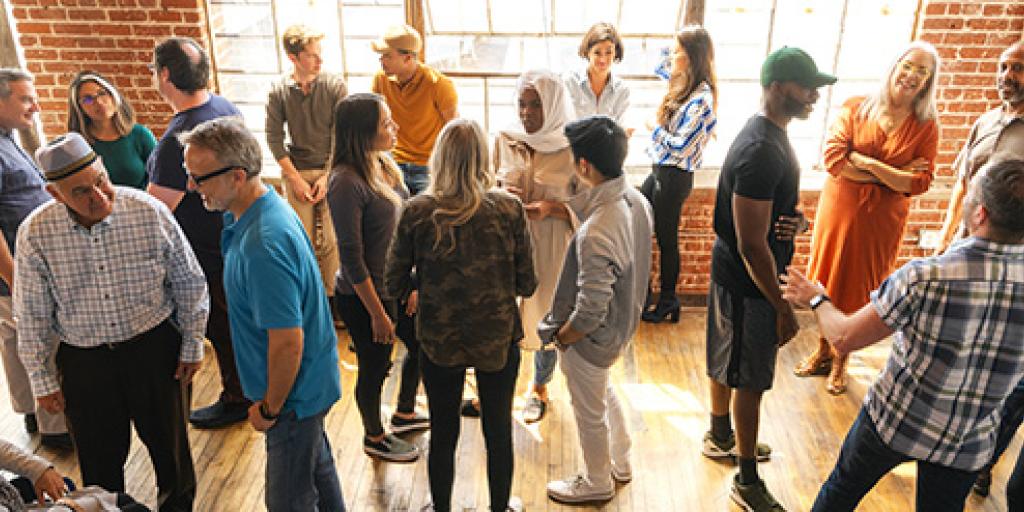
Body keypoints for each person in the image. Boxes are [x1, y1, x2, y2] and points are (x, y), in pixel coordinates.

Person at [780, 157, 1024, 512]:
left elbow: (844, 338)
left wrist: (816, 298)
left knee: (841, 492)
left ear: (980, 214)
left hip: (896, 420)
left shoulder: (925, 277)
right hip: (967, 441)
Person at [17, 132, 209, 512]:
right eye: (81, 192)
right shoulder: (35, 233)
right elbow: (32, 314)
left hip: (154, 349)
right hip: (84, 361)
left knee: (172, 455)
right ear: (55, 194)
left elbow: (190, 283)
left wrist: (192, 344)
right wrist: (41, 380)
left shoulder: (148, 210)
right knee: (99, 465)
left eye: (101, 181)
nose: (100, 197)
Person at [181, 117, 344, 512]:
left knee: (289, 501)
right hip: (306, 389)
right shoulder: (258, 209)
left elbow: (288, 341)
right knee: (318, 473)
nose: (190, 187)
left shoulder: (262, 245)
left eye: (199, 177)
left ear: (237, 176)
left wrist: (269, 407)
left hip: (291, 399)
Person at [705, 47, 834, 511]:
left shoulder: (771, 134)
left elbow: (770, 217)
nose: (815, 96)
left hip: (738, 276)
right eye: (807, 87)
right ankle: (745, 479)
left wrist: (795, 222)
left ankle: (721, 435)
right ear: (778, 86)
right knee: (750, 379)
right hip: (749, 282)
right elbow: (751, 244)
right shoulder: (761, 150)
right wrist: (782, 308)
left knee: (730, 360)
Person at [384, 119, 536, 512]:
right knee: (498, 428)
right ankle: (500, 507)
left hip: (438, 336)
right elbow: (528, 283)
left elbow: (393, 280)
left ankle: (441, 507)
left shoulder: (418, 211)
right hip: (497, 334)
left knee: (444, 429)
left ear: (440, 159)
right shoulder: (509, 208)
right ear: (484, 159)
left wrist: (427, 279)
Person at [795, 42, 941, 395]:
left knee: (862, 286)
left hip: (881, 223)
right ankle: (822, 350)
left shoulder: (926, 126)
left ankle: (843, 357)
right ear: (894, 66)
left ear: (928, 82)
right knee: (827, 278)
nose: (912, 76)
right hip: (840, 212)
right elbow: (834, 160)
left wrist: (868, 163)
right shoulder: (855, 106)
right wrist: (893, 173)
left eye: (922, 72)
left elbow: (919, 181)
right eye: (908, 66)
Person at [541, 116, 652, 503]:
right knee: (603, 393)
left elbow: (589, 310)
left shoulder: (598, 229)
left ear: (584, 166)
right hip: (621, 327)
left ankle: (597, 481)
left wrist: (563, 337)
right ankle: (620, 463)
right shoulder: (637, 200)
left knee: (588, 412)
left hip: (593, 336)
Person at [935, 41, 1024, 500]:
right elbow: (962, 185)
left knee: (1001, 372)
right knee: (958, 351)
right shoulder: (985, 122)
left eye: (1020, 68)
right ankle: (943, 441)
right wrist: (945, 235)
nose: (1008, 74)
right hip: (966, 251)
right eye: (1003, 65)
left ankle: (981, 462)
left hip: (1014, 264)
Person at [147, 36, 251, 429]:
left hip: (206, 250)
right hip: (231, 234)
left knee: (221, 325)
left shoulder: (179, 139)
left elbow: (156, 212)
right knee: (236, 320)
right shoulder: (223, 106)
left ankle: (239, 394)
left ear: (166, 74)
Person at [329, 93, 428, 463]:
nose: (395, 127)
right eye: (386, 123)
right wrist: (377, 313)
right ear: (363, 131)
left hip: (397, 285)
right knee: (375, 367)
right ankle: (374, 435)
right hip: (364, 296)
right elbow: (352, 259)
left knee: (420, 347)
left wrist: (412, 282)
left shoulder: (383, 163)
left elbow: (401, 231)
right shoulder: (344, 182)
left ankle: (404, 414)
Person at [492, 69, 580, 424]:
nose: (526, 113)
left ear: (554, 106)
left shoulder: (573, 147)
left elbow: (591, 205)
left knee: (546, 314)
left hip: (552, 242)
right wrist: (497, 194)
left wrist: (553, 208)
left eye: (536, 106)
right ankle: (496, 387)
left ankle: (539, 387)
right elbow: (483, 183)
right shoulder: (504, 139)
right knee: (502, 313)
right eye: (522, 104)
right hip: (504, 243)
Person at [0, 68, 71, 451]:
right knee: (39, 345)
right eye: (26, 98)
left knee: (15, 343)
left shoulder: (8, 139)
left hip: (21, 272)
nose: (35, 106)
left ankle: (30, 411)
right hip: (16, 274)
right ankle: (56, 429)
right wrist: (14, 276)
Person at [266, 25, 347, 309]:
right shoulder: (279, 91)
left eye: (319, 54)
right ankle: (311, 301)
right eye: (312, 56)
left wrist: (328, 176)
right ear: (293, 58)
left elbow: (342, 135)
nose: (319, 61)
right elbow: (274, 139)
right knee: (303, 240)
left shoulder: (335, 86)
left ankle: (333, 299)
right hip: (296, 170)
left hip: (332, 168)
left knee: (333, 241)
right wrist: (295, 180)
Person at [641, 25, 718, 323]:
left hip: (674, 176)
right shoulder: (682, 81)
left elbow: (682, 147)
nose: (672, 55)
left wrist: (655, 130)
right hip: (660, 170)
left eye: (678, 51)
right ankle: (646, 293)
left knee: (666, 240)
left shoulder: (702, 100)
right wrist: (676, 41)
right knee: (637, 222)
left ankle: (669, 301)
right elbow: (657, 64)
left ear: (691, 57)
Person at [371, 24, 458, 195]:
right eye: (381, 56)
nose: (381, 60)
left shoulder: (439, 85)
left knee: (424, 215)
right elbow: (373, 124)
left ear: (408, 58)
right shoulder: (380, 80)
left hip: (429, 166)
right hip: (392, 162)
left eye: (387, 56)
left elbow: (454, 131)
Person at [66, 70, 157, 189]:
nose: (98, 102)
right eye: (88, 99)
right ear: (79, 108)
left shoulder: (140, 135)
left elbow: (161, 178)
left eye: (102, 93)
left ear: (113, 94)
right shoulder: (78, 144)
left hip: (142, 203)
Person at [563, 22, 630, 126]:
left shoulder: (622, 90)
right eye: (597, 53)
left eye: (609, 52)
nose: (603, 59)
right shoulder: (569, 82)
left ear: (615, 53)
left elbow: (623, 129)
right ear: (588, 52)